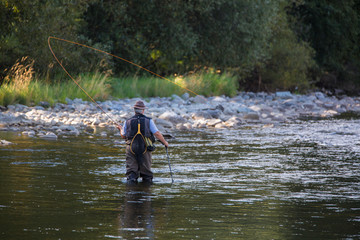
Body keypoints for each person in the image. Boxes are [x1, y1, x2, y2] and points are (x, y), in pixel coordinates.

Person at [117, 100, 169, 184]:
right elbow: (157, 133)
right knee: (146, 174)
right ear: (143, 110)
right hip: (145, 148)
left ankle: (131, 193)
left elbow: (123, 135)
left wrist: (120, 129)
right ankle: (146, 193)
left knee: (131, 174)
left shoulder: (128, 121)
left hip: (131, 148)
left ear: (134, 110)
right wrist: (164, 142)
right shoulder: (149, 121)